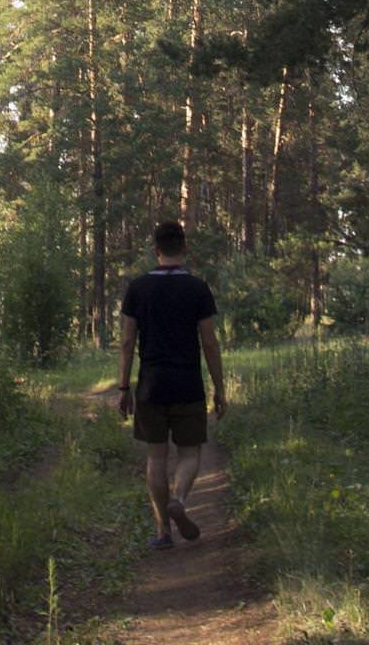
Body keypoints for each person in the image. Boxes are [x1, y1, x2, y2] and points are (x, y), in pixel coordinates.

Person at [115, 219, 226, 549]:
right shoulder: (198, 288)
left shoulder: (137, 288)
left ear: (156, 250)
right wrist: (219, 388)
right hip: (187, 383)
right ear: (185, 249)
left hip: (151, 384)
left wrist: (123, 388)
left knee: (156, 458)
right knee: (190, 453)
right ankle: (179, 498)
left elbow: (126, 341)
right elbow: (209, 342)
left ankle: (163, 531)